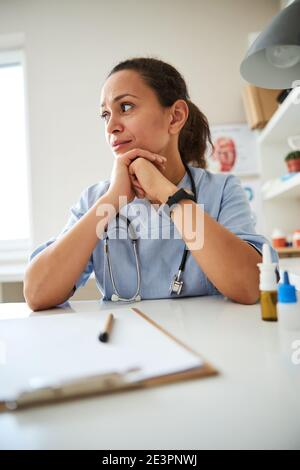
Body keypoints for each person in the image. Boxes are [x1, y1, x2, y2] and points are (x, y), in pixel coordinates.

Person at [24, 57, 278, 311]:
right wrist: (112, 199)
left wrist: (169, 194)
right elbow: (37, 293)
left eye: (125, 107)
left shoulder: (221, 190)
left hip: (206, 345)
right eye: (105, 114)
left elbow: (250, 286)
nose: (111, 126)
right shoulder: (96, 200)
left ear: (175, 117)